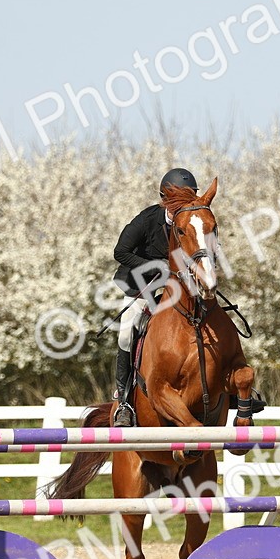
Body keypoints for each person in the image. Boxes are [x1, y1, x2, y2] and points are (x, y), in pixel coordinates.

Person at [110, 167, 198, 426]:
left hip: (180, 288)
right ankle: (124, 401)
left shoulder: (192, 220)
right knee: (127, 331)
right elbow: (121, 251)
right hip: (143, 284)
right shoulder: (148, 219)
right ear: (164, 199)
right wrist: (157, 266)